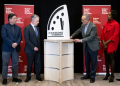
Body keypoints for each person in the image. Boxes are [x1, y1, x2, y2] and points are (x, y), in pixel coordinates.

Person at [70, 14, 100, 83]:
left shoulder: (93, 26)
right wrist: (71, 36)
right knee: (87, 61)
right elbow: (78, 31)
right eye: (81, 20)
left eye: (83, 20)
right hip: (86, 46)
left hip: (93, 46)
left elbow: (91, 37)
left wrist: (80, 40)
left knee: (93, 62)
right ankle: (88, 75)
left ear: (87, 20)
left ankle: (92, 77)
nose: (81, 21)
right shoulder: (83, 25)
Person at [1, 13, 22, 85]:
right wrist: (11, 44)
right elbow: (4, 36)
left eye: (16, 18)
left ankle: (15, 77)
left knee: (15, 64)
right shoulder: (4, 27)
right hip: (6, 49)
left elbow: (20, 37)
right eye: (14, 18)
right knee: (5, 64)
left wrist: (16, 43)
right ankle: (4, 78)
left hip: (15, 49)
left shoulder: (18, 28)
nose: (16, 19)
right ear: (10, 19)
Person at [101, 10, 119, 82]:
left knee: (111, 58)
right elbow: (102, 33)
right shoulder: (105, 24)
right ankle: (107, 74)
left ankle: (112, 75)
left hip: (111, 43)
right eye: (108, 14)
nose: (107, 15)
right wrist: (103, 42)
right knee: (106, 59)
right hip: (105, 43)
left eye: (109, 15)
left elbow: (115, 35)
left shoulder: (116, 24)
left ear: (113, 16)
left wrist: (106, 42)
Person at [24, 14, 42, 82]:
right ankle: (28, 77)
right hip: (30, 50)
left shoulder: (37, 28)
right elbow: (27, 39)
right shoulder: (27, 28)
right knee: (30, 64)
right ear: (33, 20)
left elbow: (38, 39)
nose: (38, 22)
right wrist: (33, 47)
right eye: (37, 21)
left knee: (38, 63)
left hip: (38, 49)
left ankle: (38, 76)